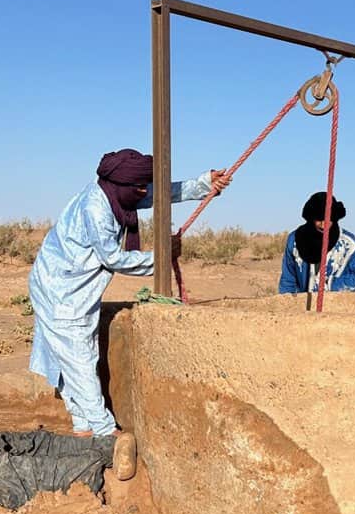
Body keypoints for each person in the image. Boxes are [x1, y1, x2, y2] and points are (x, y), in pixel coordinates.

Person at [29, 149, 229, 438]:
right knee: (78, 357)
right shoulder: (96, 209)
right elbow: (112, 258)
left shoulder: (115, 194)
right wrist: (160, 257)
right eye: (139, 187)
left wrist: (203, 184)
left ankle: (83, 427)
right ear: (124, 185)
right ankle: (103, 429)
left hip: (72, 287)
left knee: (73, 354)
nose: (143, 192)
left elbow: (157, 194)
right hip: (60, 290)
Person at [278, 191, 355, 294]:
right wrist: (288, 303)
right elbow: (288, 279)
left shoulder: (349, 245)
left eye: (328, 220)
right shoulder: (294, 240)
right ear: (311, 218)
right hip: (302, 305)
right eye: (319, 219)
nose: (323, 225)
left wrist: (331, 284)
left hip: (335, 306)